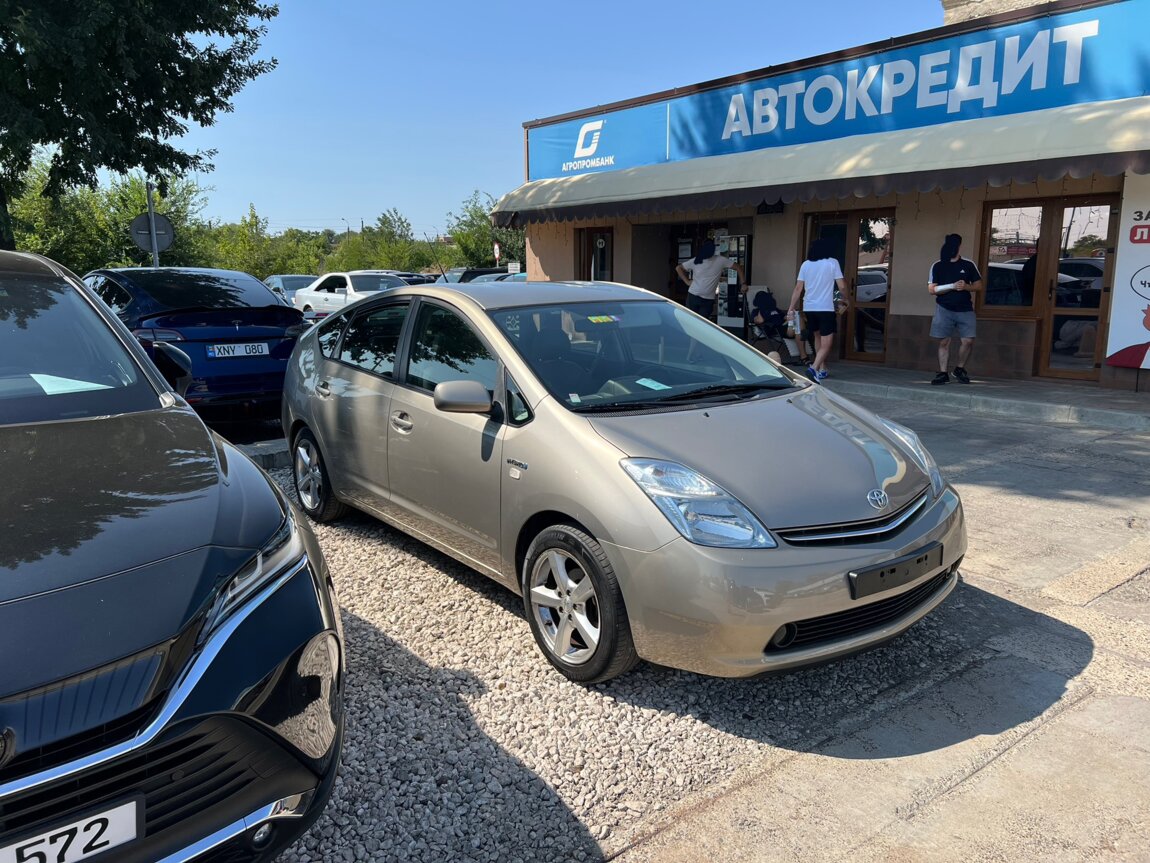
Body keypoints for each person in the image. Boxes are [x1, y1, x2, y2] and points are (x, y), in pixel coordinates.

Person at [786, 238, 846, 381]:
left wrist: (791, 308)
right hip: (825, 308)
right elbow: (842, 286)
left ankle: (822, 369)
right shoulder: (832, 262)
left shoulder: (805, 264)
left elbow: (798, 288)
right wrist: (846, 299)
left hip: (809, 308)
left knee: (818, 337)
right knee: (827, 343)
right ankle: (813, 368)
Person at [928, 233, 983, 385]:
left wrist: (966, 287)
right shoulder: (938, 265)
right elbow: (932, 289)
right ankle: (943, 373)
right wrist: (951, 286)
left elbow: (979, 285)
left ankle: (959, 369)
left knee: (968, 341)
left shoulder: (968, 264)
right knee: (944, 342)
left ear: (959, 246)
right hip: (944, 308)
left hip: (965, 309)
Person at [676, 239, 745, 320]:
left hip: (708, 299)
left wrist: (743, 283)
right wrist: (687, 282)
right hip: (693, 296)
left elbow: (738, 267)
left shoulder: (720, 260)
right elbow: (678, 268)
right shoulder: (696, 260)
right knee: (690, 320)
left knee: (703, 322)